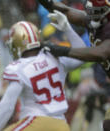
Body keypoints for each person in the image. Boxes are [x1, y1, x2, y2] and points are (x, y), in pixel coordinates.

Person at [0, 17, 87, 130]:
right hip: (61, 124)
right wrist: (67, 28)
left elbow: (7, 105)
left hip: (36, 122)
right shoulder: (54, 57)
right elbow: (81, 56)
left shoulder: (19, 68)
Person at [38, 0, 110, 129]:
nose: (92, 16)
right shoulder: (96, 19)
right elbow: (67, 11)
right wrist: (47, 3)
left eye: (97, 12)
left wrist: (62, 50)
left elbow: (101, 53)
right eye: (91, 12)